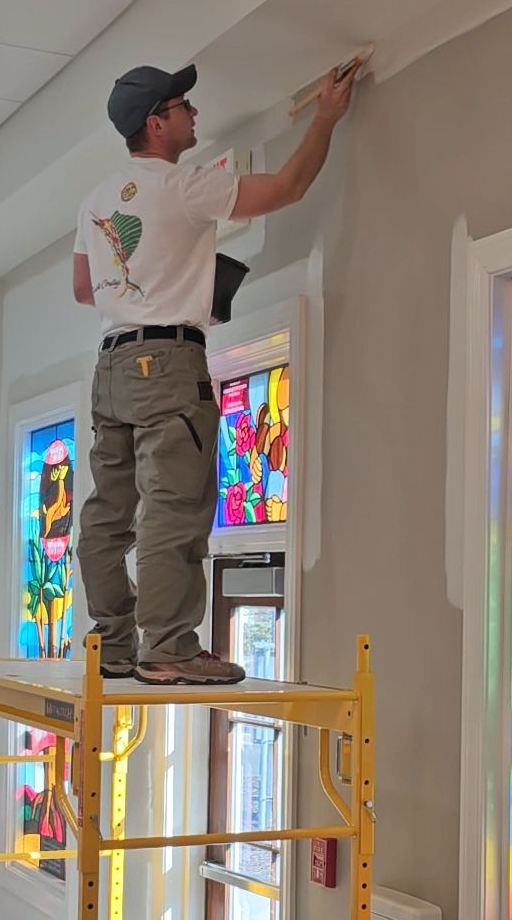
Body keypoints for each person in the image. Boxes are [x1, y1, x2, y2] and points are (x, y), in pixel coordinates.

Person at [74, 60, 355, 684]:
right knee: (172, 506)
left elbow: (83, 288)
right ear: (156, 124)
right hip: (167, 363)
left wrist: (156, 284)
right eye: (183, 106)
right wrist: (326, 118)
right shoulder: (184, 185)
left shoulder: (95, 201)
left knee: (108, 511)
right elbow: (288, 188)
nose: (194, 112)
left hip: (111, 365)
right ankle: (168, 648)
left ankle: (112, 644)